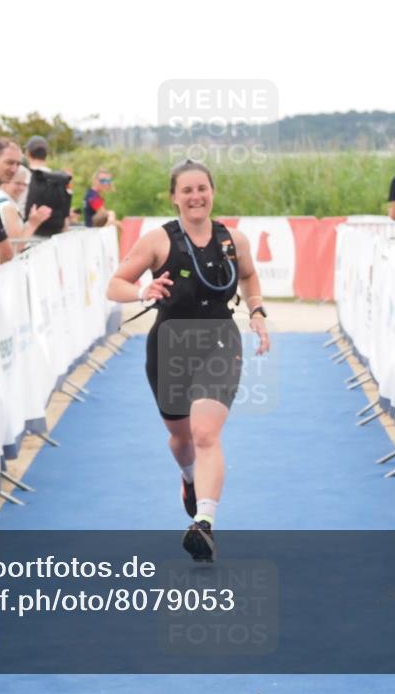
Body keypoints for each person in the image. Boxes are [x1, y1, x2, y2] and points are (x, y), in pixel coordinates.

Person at [106, 159, 270, 562]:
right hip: (169, 346)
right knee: (181, 438)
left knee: (205, 433)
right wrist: (143, 292)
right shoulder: (157, 241)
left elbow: (248, 277)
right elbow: (115, 285)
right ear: (174, 197)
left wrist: (257, 311)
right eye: (187, 190)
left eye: (202, 188)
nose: (196, 196)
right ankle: (189, 478)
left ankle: (204, 523)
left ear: (212, 191)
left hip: (219, 340)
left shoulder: (235, 240)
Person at [0, 167, 52, 247]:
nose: (21, 188)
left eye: (24, 184)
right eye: (17, 183)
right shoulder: (8, 207)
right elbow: (15, 246)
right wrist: (33, 223)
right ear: (5, 182)